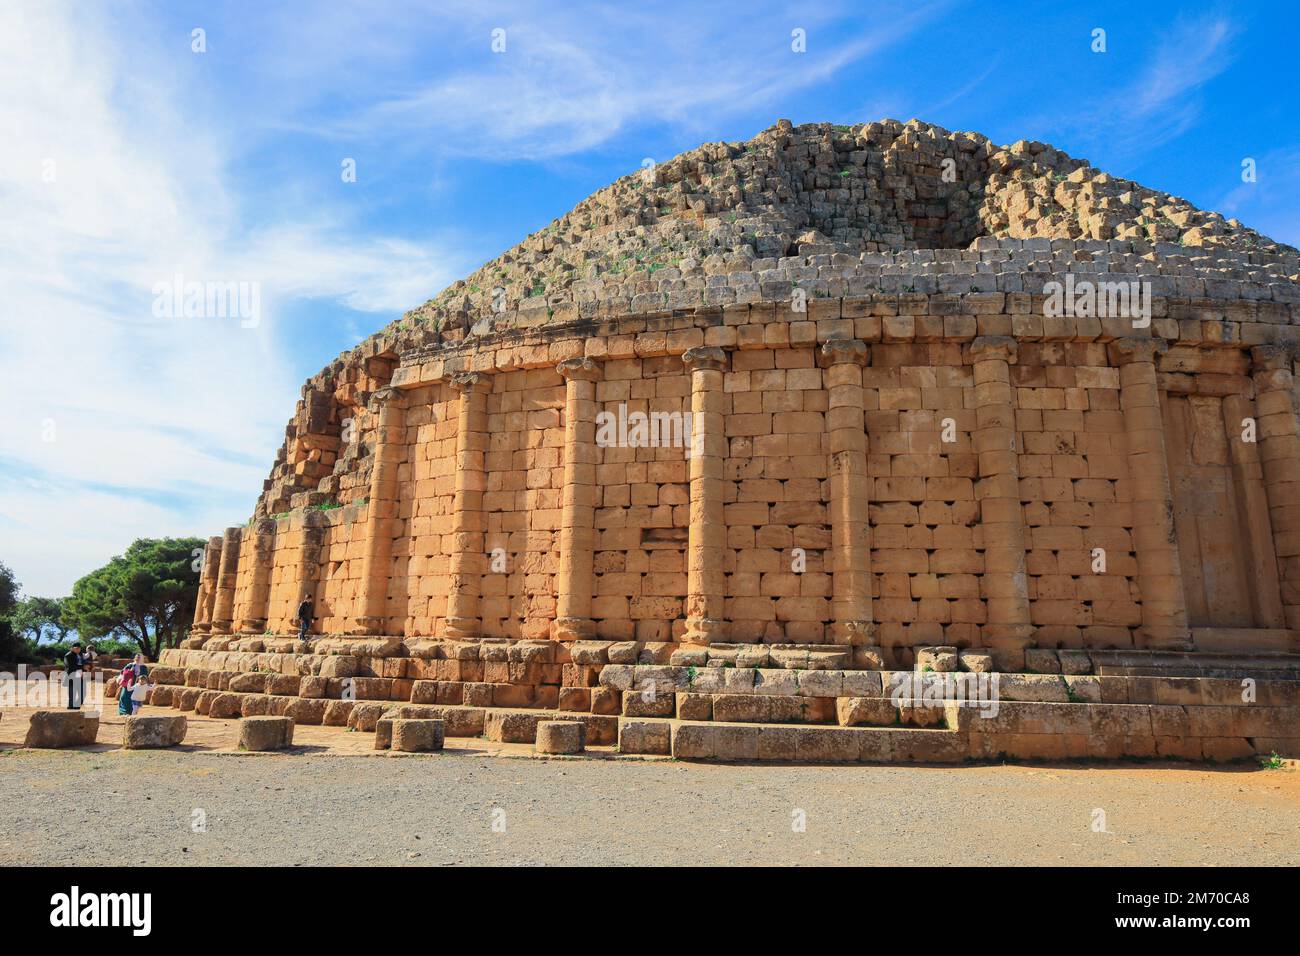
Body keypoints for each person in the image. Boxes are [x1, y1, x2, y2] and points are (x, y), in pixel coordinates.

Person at [64, 642, 84, 709]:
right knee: (72, 695)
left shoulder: (80, 654)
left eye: (79, 648)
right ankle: (71, 708)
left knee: (82, 694)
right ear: (72, 648)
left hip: (79, 676)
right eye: (76, 648)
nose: (78, 650)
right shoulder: (68, 655)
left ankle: (76, 706)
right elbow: (71, 666)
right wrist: (83, 667)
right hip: (71, 677)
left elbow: (83, 662)